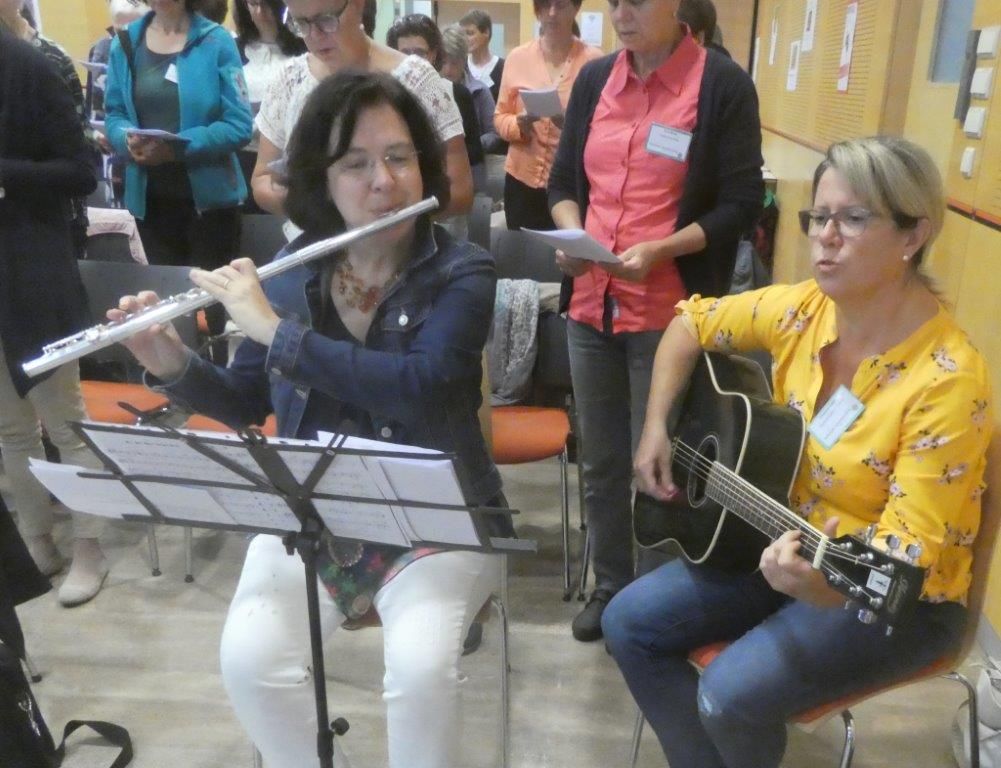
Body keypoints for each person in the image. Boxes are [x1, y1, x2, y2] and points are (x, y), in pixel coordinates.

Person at [112, 70, 507, 768]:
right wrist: (171, 362)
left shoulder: (463, 271)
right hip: (316, 512)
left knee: (419, 671)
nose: (383, 181)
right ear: (321, 182)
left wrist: (274, 331)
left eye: (399, 157)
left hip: (438, 519)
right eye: (355, 164)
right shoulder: (293, 268)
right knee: (249, 661)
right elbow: (246, 401)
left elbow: (418, 388)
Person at [603, 136, 994, 768]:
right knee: (628, 623)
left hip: (895, 600)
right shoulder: (807, 309)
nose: (825, 238)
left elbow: (902, 563)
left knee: (729, 694)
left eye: (854, 218)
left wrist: (823, 588)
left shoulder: (946, 380)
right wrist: (655, 427)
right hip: (782, 541)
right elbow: (689, 322)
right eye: (819, 216)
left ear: (914, 234)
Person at [548, 0, 763, 641]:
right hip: (592, 304)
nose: (622, 13)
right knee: (601, 462)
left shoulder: (721, 84)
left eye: (636, 1)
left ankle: (651, 605)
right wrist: (572, 236)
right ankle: (611, 587)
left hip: (669, 314)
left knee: (658, 464)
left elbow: (742, 204)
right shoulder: (596, 78)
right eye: (613, 1)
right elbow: (563, 183)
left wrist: (663, 249)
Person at [0, 32, 111, 607]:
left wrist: (5, 175)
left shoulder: (29, 67)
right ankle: (36, 541)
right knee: (10, 430)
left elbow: (81, 170)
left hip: (34, 270)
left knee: (65, 421)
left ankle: (90, 545)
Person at [250, 0, 473, 232]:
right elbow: (262, 179)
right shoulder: (289, 81)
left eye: (326, 20)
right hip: (316, 241)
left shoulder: (416, 80)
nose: (314, 35)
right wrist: (325, 209)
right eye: (301, 23)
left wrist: (378, 213)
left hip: (401, 242)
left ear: (358, 5)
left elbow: (459, 191)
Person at [104, 0, 253, 348]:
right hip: (151, 202)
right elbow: (114, 115)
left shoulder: (216, 40)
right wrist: (127, 140)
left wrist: (178, 147)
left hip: (211, 205)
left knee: (216, 313)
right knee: (167, 313)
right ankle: (176, 376)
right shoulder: (124, 43)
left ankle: (220, 377)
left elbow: (239, 125)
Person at [494, 0, 602, 232]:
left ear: (576, 8)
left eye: (560, 5)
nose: (551, 13)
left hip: (570, 183)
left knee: (568, 248)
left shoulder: (594, 62)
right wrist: (518, 124)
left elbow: (605, 130)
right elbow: (500, 116)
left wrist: (570, 126)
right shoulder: (517, 57)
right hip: (521, 179)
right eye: (544, 5)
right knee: (521, 249)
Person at [386, 14, 486, 196]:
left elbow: (472, 152)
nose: (413, 62)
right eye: (405, 54)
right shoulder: (385, 97)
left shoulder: (456, 93)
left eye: (420, 53)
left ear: (432, 54)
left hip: (442, 191)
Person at [440, 23, 502, 156]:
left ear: (464, 61)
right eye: (443, 62)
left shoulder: (481, 91)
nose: (448, 70)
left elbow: (494, 133)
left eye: (454, 63)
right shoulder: (430, 90)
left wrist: (472, 146)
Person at [232, 0, 306, 105]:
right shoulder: (233, 49)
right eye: (253, 4)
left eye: (266, 4)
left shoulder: (306, 47)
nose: (260, 11)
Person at [460, 9, 503, 103]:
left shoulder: (503, 67)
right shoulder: (460, 65)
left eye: (470, 33)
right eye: (463, 34)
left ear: (486, 32)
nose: (465, 38)